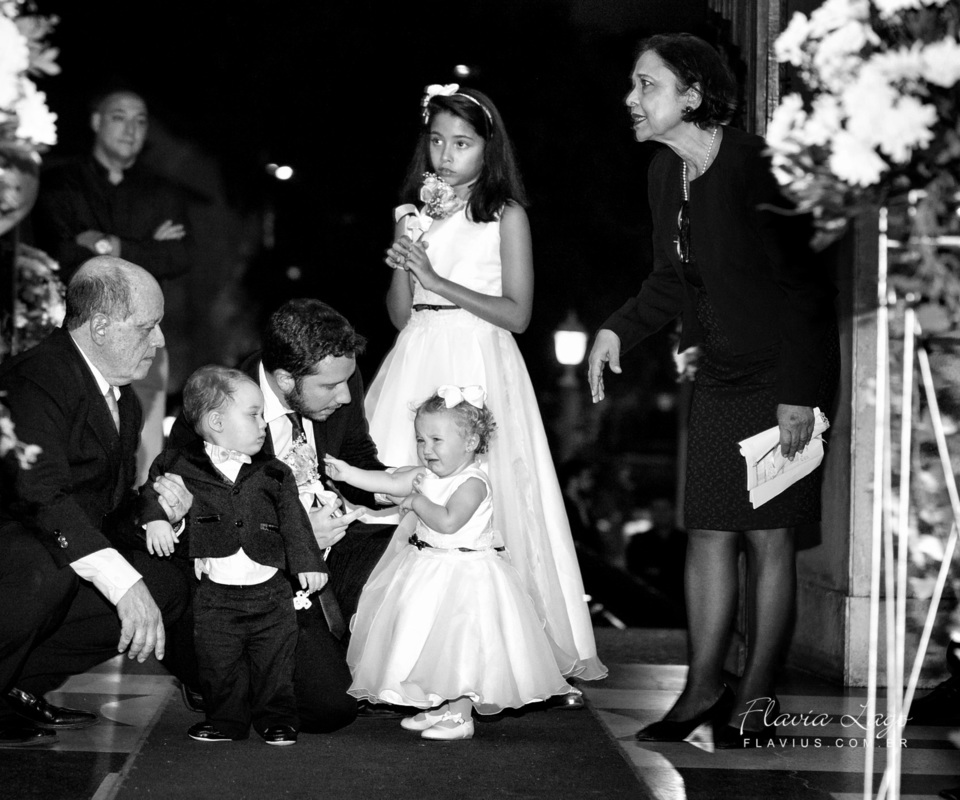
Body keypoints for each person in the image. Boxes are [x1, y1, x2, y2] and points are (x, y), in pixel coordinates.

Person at [587, 33, 837, 748]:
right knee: (706, 531)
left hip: (783, 376)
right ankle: (702, 686)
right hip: (722, 376)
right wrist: (617, 331)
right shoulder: (666, 175)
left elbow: (807, 288)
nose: (631, 100)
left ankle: (754, 700)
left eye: (646, 86)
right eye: (634, 86)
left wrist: (800, 393)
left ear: (692, 94)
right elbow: (670, 277)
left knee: (769, 539)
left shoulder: (758, 168)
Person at [366, 84, 607, 696]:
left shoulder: (505, 215)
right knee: (397, 487)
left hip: (478, 354)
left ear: (487, 149)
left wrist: (437, 277)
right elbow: (400, 313)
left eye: (463, 144)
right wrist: (406, 267)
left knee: (493, 502)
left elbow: (519, 313)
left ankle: (497, 653)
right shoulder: (410, 210)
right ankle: (399, 653)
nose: (447, 155)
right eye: (439, 141)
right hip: (418, 351)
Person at [0, 256, 196, 746]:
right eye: (148, 326)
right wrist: (122, 583)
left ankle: (15, 686)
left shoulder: (122, 398)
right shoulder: (34, 381)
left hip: (38, 547)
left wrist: (160, 515)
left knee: (164, 582)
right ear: (100, 326)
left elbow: (108, 509)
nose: (159, 341)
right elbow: (41, 496)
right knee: (52, 563)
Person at [165, 298, 395, 733]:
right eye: (330, 387)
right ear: (286, 378)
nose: (344, 395)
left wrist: (403, 489)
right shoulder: (213, 411)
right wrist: (300, 536)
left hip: (336, 546)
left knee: (423, 554)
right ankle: (218, 671)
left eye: (347, 382)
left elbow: (355, 455)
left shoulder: (338, 372)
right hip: (257, 582)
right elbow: (204, 529)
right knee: (329, 710)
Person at [325, 387, 572, 740]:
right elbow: (388, 480)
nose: (426, 450)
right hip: (427, 567)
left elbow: (448, 521)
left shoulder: (473, 483)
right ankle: (438, 705)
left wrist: (415, 502)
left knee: (459, 643)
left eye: (437, 440)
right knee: (426, 639)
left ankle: (460, 716)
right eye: (421, 440)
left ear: (470, 441)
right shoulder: (426, 476)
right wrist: (348, 473)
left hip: (466, 575)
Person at [138, 366, 326, 746]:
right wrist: (157, 522)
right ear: (217, 421)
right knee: (217, 662)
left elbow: (294, 519)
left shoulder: (274, 471)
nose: (262, 424)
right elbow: (151, 493)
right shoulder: (177, 463)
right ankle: (225, 720)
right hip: (215, 594)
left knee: (275, 660)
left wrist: (308, 562)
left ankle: (278, 719)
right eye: (253, 414)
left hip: (270, 590)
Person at [31, 88, 192, 480]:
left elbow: (179, 256)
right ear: (96, 121)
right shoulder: (59, 182)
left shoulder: (163, 191)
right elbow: (62, 255)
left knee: (145, 444)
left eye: (140, 120)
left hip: (145, 334)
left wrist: (106, 244)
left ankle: (144, 521)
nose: (131, 128)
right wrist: (146, 247)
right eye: (119, 117)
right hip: (73, 332)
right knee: (70, 431)